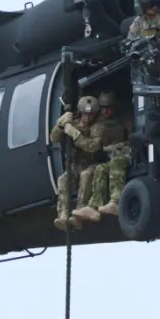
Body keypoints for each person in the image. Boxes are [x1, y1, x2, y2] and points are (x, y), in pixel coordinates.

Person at [48, 95, 106, 230]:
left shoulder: (99, 126)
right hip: (76, 165)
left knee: (86, 176)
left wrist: (75, 134)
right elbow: (54, 138)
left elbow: (92, 146)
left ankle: (79, 214)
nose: (87, 118)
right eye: (85, 115)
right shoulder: (74, 121)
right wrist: (61, 124)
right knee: (63, 180)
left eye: (90, 115)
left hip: (93, 164)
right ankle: (63, 215)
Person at [83, 90, 133, 218]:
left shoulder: (126, 120)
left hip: (127, 156)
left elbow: (133, 139)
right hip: (112, 157)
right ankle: (93, 206)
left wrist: (122, 146)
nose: (105, 111)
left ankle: (115, 202)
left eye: (108, 108)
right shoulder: (100, 123)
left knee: (116, 162)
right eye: (102, 108)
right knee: (100, 168)